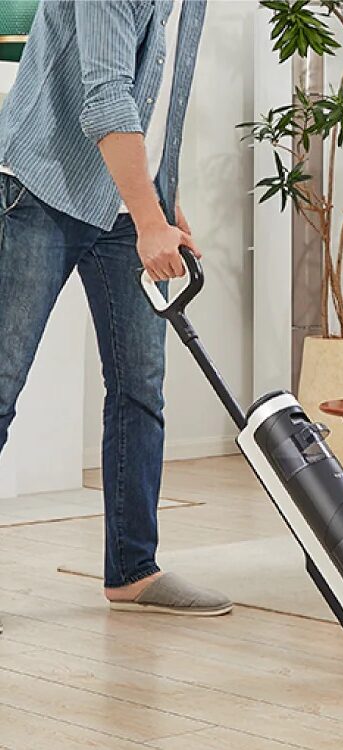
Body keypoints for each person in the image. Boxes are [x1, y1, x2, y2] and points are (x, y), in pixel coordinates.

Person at [0, 0, 232, 628]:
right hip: (41, 188)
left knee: (139, 388)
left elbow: (158, 98)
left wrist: (163, 195)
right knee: (2, 384)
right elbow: (104, 94)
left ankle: (133, 570)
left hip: (124, 203)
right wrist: (150, 217)